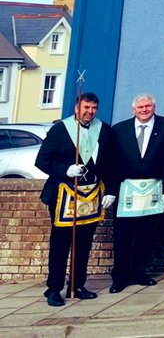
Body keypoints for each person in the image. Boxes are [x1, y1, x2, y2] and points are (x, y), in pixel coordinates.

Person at [36, 90, 114, 306]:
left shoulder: (104, 130)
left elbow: (109, 164)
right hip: (64, 194)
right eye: (86, 107)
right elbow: (42, 161)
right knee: (61, 243)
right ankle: (54, 288)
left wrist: (110, 190)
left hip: (91, 195)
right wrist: (65, 169)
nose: (90, 112)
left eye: (94, 108)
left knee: (83, 243)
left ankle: (77, 285)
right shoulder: (60, 130)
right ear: (77, 108)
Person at [106, 93, 164, 292]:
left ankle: (139, 272)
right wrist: (111, 190)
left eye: (148, 106)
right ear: (133, 110)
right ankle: (120, 276)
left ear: (154, 107)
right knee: (122, 235)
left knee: (148, 235)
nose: (144, 110)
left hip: (154, 190)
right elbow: (112, 163)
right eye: (140, 107)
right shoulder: (119, 130)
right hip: (126, 190)